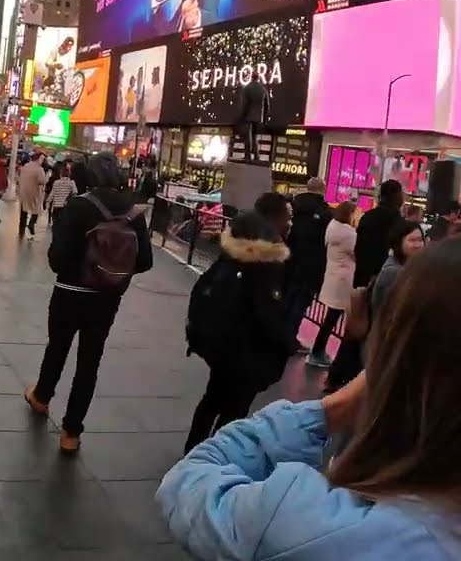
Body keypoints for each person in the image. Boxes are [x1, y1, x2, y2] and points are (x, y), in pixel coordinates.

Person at [157, 240, 461, 561]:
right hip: (248, 354)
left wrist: (333, 409)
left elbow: (188, 482)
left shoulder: (322, 529)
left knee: (218, 401)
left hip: (240, 362)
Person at [24, 154, 154, 454]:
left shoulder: (79, 206)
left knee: (57, 347)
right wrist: (112, 270)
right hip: (106, 300)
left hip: (69, 292)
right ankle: (71, 433)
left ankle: (42, 397)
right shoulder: (135, 213)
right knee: (89, 362)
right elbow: (145, 261)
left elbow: (57, 259)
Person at [182, 210, 293, 453]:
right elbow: (268, 316)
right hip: (248, 354)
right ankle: (213, 456)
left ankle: (193, 448)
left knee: (212, 399)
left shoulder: (228, 258)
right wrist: (287, 343)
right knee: (234, 410)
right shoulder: (266, 267)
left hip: (220, 347)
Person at [332, 181, 404, 391]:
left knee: (355, 328)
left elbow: (359, 248)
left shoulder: (369, 217)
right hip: (379, 281)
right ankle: (359, 379)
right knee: (372, 331)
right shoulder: (395, 221)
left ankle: (338, 374)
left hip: (362, 279)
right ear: (395, 196)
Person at [283, 178, 332, 353]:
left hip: (290, 258)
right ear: (323, 189)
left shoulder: (293, 206)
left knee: (287, 297)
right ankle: (289, 339)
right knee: (301, 302)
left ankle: (278, 333)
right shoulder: (325, 212)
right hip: (312, 263)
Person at [309, 201, 359, 368]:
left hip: (333, 275)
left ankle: (317, 350)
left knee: (330, 318)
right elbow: (356, 254)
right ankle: (318, 351)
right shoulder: (349, 234)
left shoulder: (332, 227)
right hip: (344, 278)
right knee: (334, 319)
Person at [369, 220, 425, 322]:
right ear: (398, 242)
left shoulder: (408, 266)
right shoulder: (393, 272)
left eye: (420, 240)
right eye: (412, 240)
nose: (418, 245)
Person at [17, 152, 47, 239]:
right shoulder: (39, 169)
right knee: (36, 210)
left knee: (23, 211)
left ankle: (21, 231)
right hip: (34, 192)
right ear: (38, 159)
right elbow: (42, 181)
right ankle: (31, 223)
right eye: (42, 159)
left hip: (23, 191)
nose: (42, 161)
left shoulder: (25, 166)